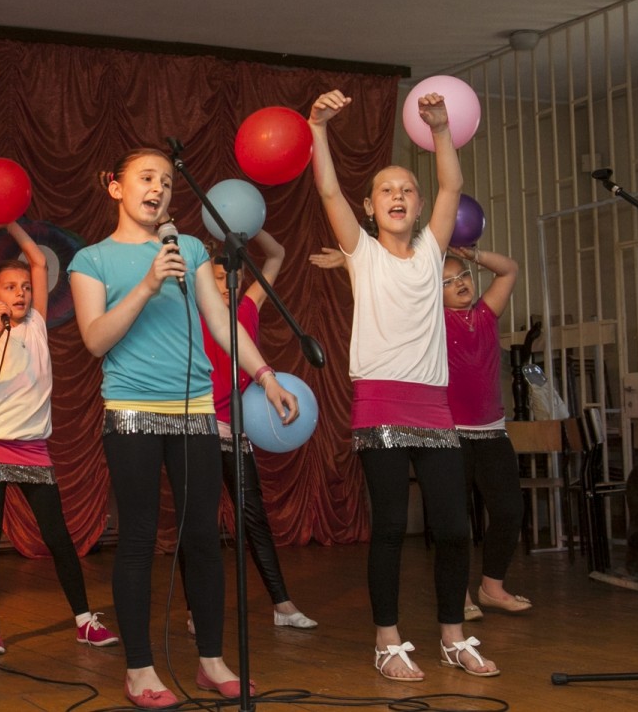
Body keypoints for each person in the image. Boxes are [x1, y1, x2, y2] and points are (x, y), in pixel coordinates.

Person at [68, 147, 300, 708]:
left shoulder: (190, 248)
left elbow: (221, 321)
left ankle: (211, 662)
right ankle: (140, 670)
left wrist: (265, 376)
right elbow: (95, 340)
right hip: (131, 413)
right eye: (146, 178)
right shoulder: (90, 261)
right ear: (115, 187)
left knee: (202, 538)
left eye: (168, 182)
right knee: (139, 538)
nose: (159, 188)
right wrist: (147, 285)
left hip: (196, 412)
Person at [308, 90, 498, 681]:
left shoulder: (431, 253)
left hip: (434, 409)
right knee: (390, 526)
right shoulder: (362, 253)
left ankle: (452, 637)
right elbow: (329, 191)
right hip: (381, 405)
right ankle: (387, 641)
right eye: (386, 189)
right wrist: (318, 128)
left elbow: (451, 185)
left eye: (407, 189)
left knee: (454, 527)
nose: (397, 195)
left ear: (418, 206)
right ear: (370, 207)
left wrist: (440, 129)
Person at [0, 220, 119, 655]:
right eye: (10, 287)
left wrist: (8, 223)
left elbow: (38, 259)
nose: (21, 292)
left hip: (34, 447)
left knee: (58, 536)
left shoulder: (36, 325)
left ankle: (84, 622)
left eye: (25, 288)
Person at [184, 231, 316, 633]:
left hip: (237, 427)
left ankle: (283, 605)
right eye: (217, 278)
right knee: (199, 521)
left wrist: (246, 226)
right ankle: (195, 610)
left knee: (254, 515)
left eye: (233, 278)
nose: (227, 285)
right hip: (199, 424)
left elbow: (277, 255)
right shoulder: (192, 310)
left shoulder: (248, 306)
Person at [439, 248, 532, 619]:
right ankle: (458, 595)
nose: (460, 283)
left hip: (492, 431)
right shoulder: (433, 320)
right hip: (451, 434)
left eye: (463, 275)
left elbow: (509, 269)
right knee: (455, 522)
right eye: (447, 282)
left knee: (510, 511)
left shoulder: (486, 314)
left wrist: (473, 254)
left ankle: (492, 587)